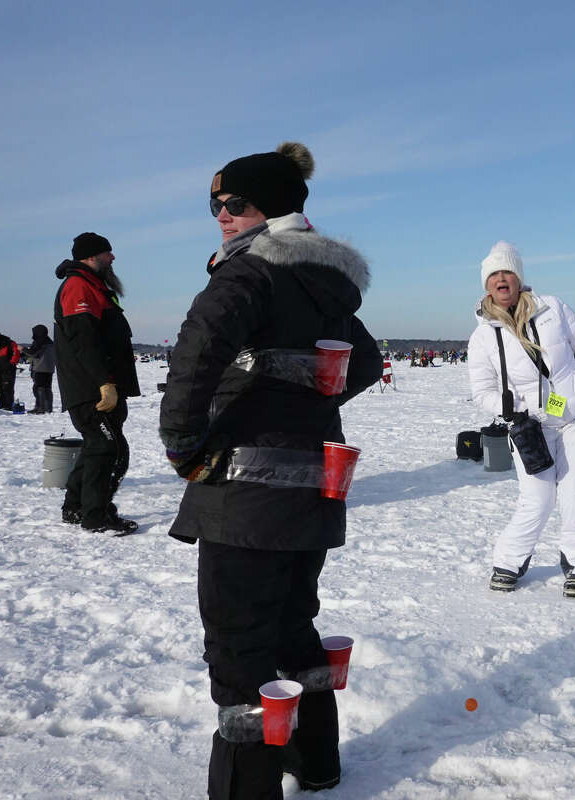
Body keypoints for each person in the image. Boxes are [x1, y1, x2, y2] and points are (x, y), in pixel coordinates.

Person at [159, 142, 382, 799]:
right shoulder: (325, 284)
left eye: (234, 204)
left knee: (239, 650)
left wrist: (182, 445)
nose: (221, 216)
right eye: (215, 205)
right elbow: (362, 362)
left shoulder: (250, 272)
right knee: (290, 625)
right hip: (315, 486)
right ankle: (316, 760)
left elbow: (195, 351)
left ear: (269, 209)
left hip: (244, 492)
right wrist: (303, 390)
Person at [467, 240, 575, 598]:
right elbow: (482, 391)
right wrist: (511, 409)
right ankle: (509, 560)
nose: (501, 279)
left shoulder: (552, 309)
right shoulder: (482, 338)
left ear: (519, 278)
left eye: (507, 272)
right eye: (494, 274)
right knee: (537, 499)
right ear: (486, 284)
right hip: (531, 426)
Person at [54, 232, 140, 532]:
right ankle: (96, 515)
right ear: (92, 256)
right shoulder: (78, 286)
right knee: (108, 448)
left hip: (103, 386)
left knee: (98, 446)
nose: (112, 258)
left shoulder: (95, 286)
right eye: (108, 253)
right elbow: (83, 340)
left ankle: (76, 507)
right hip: (90, 389)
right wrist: (103, 383)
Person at [23, 324, 56, 413]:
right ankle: (48, 408)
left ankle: (40, 408)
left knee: (38, 388)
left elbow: (32, 353)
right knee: (47, 388)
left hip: (40, 368)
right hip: (49, 369)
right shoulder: (50, 342)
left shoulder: (39, 341)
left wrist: (22, 349)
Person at [0, 329, 18, 410]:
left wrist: (11, 363)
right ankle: (2, 405)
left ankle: (8, 405)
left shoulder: (9, 343)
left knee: (7, 388)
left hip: (8, 370)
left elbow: (16, 352)